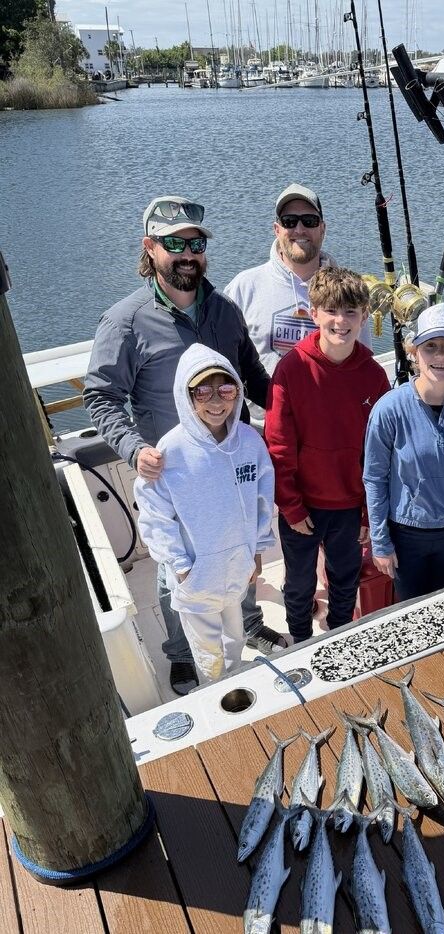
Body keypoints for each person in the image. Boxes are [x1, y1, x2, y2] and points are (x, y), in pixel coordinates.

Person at [83, 195, 282, 696]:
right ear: (150, 249)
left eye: (196, 243)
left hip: (229, 460)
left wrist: (305, 405)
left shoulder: (225, 311)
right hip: (169, 475)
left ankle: (249, 621)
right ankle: (181, 655)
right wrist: (133, 450)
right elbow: (100, 395)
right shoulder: (124, 321)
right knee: (179, 569)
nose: (188, 253)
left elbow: (256, 380)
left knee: (236, 548)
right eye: (175, 244)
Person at [134, 345, 276, 685]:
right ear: (187, 395)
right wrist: (180, 566)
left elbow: (262, 500)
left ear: (238, 393)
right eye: (202, 391)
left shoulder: (249, 442)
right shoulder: (169, 451)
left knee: (235, 634)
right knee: (207, 649)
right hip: (196, 573)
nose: (216, 401)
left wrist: (256, 551)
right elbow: (155, 515)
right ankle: (218, 688)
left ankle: (236, 676)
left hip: (237, 566)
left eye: (226, 389)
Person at [264, 267, 389, 643]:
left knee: (345, 576)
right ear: (313, 313)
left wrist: (369, 511)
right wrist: (291, 507)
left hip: (350, 506)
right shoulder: (291, 369)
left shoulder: (373, 375)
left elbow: (380, 454)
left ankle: (341, 633)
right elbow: (279, 447)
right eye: (331, 311)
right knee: (299, 582)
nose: (341, 321)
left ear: (365, 317)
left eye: (351, 312)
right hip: (303, 506)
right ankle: (300, 639)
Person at [364, 303, 444, 601]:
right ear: (415, 352)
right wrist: (381, 542)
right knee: (410, 611)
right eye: (431, 346)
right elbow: (375, 479)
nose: (441, 356)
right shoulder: (389, 409)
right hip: (406, 534)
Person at [224, 183, 372, 378]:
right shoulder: (243, 287)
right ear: (277, 229)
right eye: (289, 221)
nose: (299, 229)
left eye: (309, 221)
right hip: (264, 407)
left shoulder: (347, 291)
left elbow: (362, 363)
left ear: (323, 228)